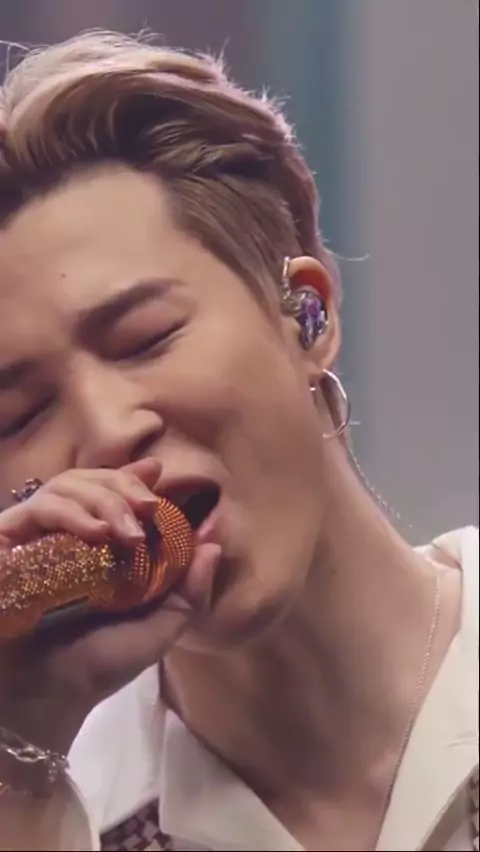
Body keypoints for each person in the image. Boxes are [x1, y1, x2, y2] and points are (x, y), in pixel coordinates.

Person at [0, 31, 477, 852]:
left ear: (307, 316)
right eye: (20, 414)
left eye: (146, 337)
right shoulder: (52, 807)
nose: (107, 430)